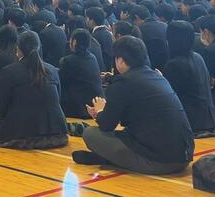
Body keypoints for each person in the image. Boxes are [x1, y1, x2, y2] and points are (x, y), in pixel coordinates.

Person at [74, 36, 194, 175]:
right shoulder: (158, 77)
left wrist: (100, 111)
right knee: (121, 135)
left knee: (90, 133)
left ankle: (112, 159)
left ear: (120, 60)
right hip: (184, 156)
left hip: (160, 161)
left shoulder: (123, 82)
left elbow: (107, 125)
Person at [0, 31, 67, 149]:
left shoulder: (8, 71)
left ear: (18, 49)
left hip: (20, 131)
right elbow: (58, 100)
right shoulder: (53, 70)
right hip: (56, 130)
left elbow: (1, 107)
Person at [163, 21, 215, 137]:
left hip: (191, 123)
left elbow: (168, 96)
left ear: (170, 40)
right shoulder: (197, 57)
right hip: (208, 119)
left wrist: (160, 80)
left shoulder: (174, 64)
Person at [59, 29, 104, 119]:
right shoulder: (93, 57)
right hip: (95, 104)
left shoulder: (68, 60)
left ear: (74, 42)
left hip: (78, 109)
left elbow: (61, 81)